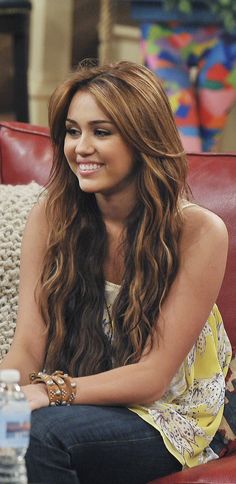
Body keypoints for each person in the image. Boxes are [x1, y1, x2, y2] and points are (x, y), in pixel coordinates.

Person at [0, 60, 232, 484]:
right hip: (84, 397)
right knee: (7, 423)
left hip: (168, 413)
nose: (80, 147)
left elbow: (152, 377)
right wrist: (5, 392)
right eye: (73, 131)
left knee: (33, 432)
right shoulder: (51, 216)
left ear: (143, 139)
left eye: (101, 132)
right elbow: (29, 345)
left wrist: (46, 393)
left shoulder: (198, 231)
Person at [131, 0, 236, 151]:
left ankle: (195, 171)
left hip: (228, 28)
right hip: (160, 23)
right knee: (185, 136)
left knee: (209, 133)